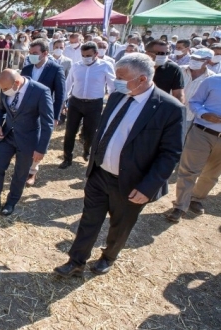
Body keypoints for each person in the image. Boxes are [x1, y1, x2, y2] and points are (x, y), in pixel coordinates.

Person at [54, 54, 184, 277]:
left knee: (120, 225)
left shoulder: (169, 108)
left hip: (133, 182)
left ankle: (108, 257)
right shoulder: (117, 96)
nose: (116, 81)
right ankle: (76, 261)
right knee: (89, 220)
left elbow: (170, 154)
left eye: (121, 77)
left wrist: (148, 187)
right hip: (100, 174)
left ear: (142, 79)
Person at [0, 69, 54, 216]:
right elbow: (1, 109)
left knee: (20, 173)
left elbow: (47, 123)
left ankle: (11, 202)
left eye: (5, 89)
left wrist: (41, 148)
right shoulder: (5, 87)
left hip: (28, 140)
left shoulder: (41, 91)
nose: (3, 91)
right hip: (7, 136)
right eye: (2, 89)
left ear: (17, 83)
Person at [165, 73, 221, 223]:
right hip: (202, 132)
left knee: (212, 174)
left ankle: (196, 198)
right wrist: (204, 114)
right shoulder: (212, 81)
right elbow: (194, 102)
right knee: (189, 170)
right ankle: (180, 206)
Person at [60, 42, 115, 169]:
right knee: (70, 132)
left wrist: (112, 103)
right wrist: (63, 101)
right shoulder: (76, 66)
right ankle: (67, 158)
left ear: (96, 54)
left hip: (94, 104)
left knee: (91, 132)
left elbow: (112, 86)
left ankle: (87, 151)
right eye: (83, 55)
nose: (85, 58)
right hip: (76, 103)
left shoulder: (105, 66)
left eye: (88, 55)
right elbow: (68, 84)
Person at [21, 40, 65, 186]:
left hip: (44, 111)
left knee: (39, 141)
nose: (32, 56)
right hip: (27, 112)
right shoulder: (26, 69)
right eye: (30, 53)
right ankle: (24, 168)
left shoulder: (56, 69)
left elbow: (60, 94)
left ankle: (32, 171)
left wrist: (56, 115)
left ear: (45, 53)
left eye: (35, 53)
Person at [178, 48, 216, 135]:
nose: (195, 61)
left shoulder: (211, 78)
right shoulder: (179, 70)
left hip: (189, 117)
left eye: (199, 59)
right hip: (169, 112)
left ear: (208, 61)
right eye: (193, 58)